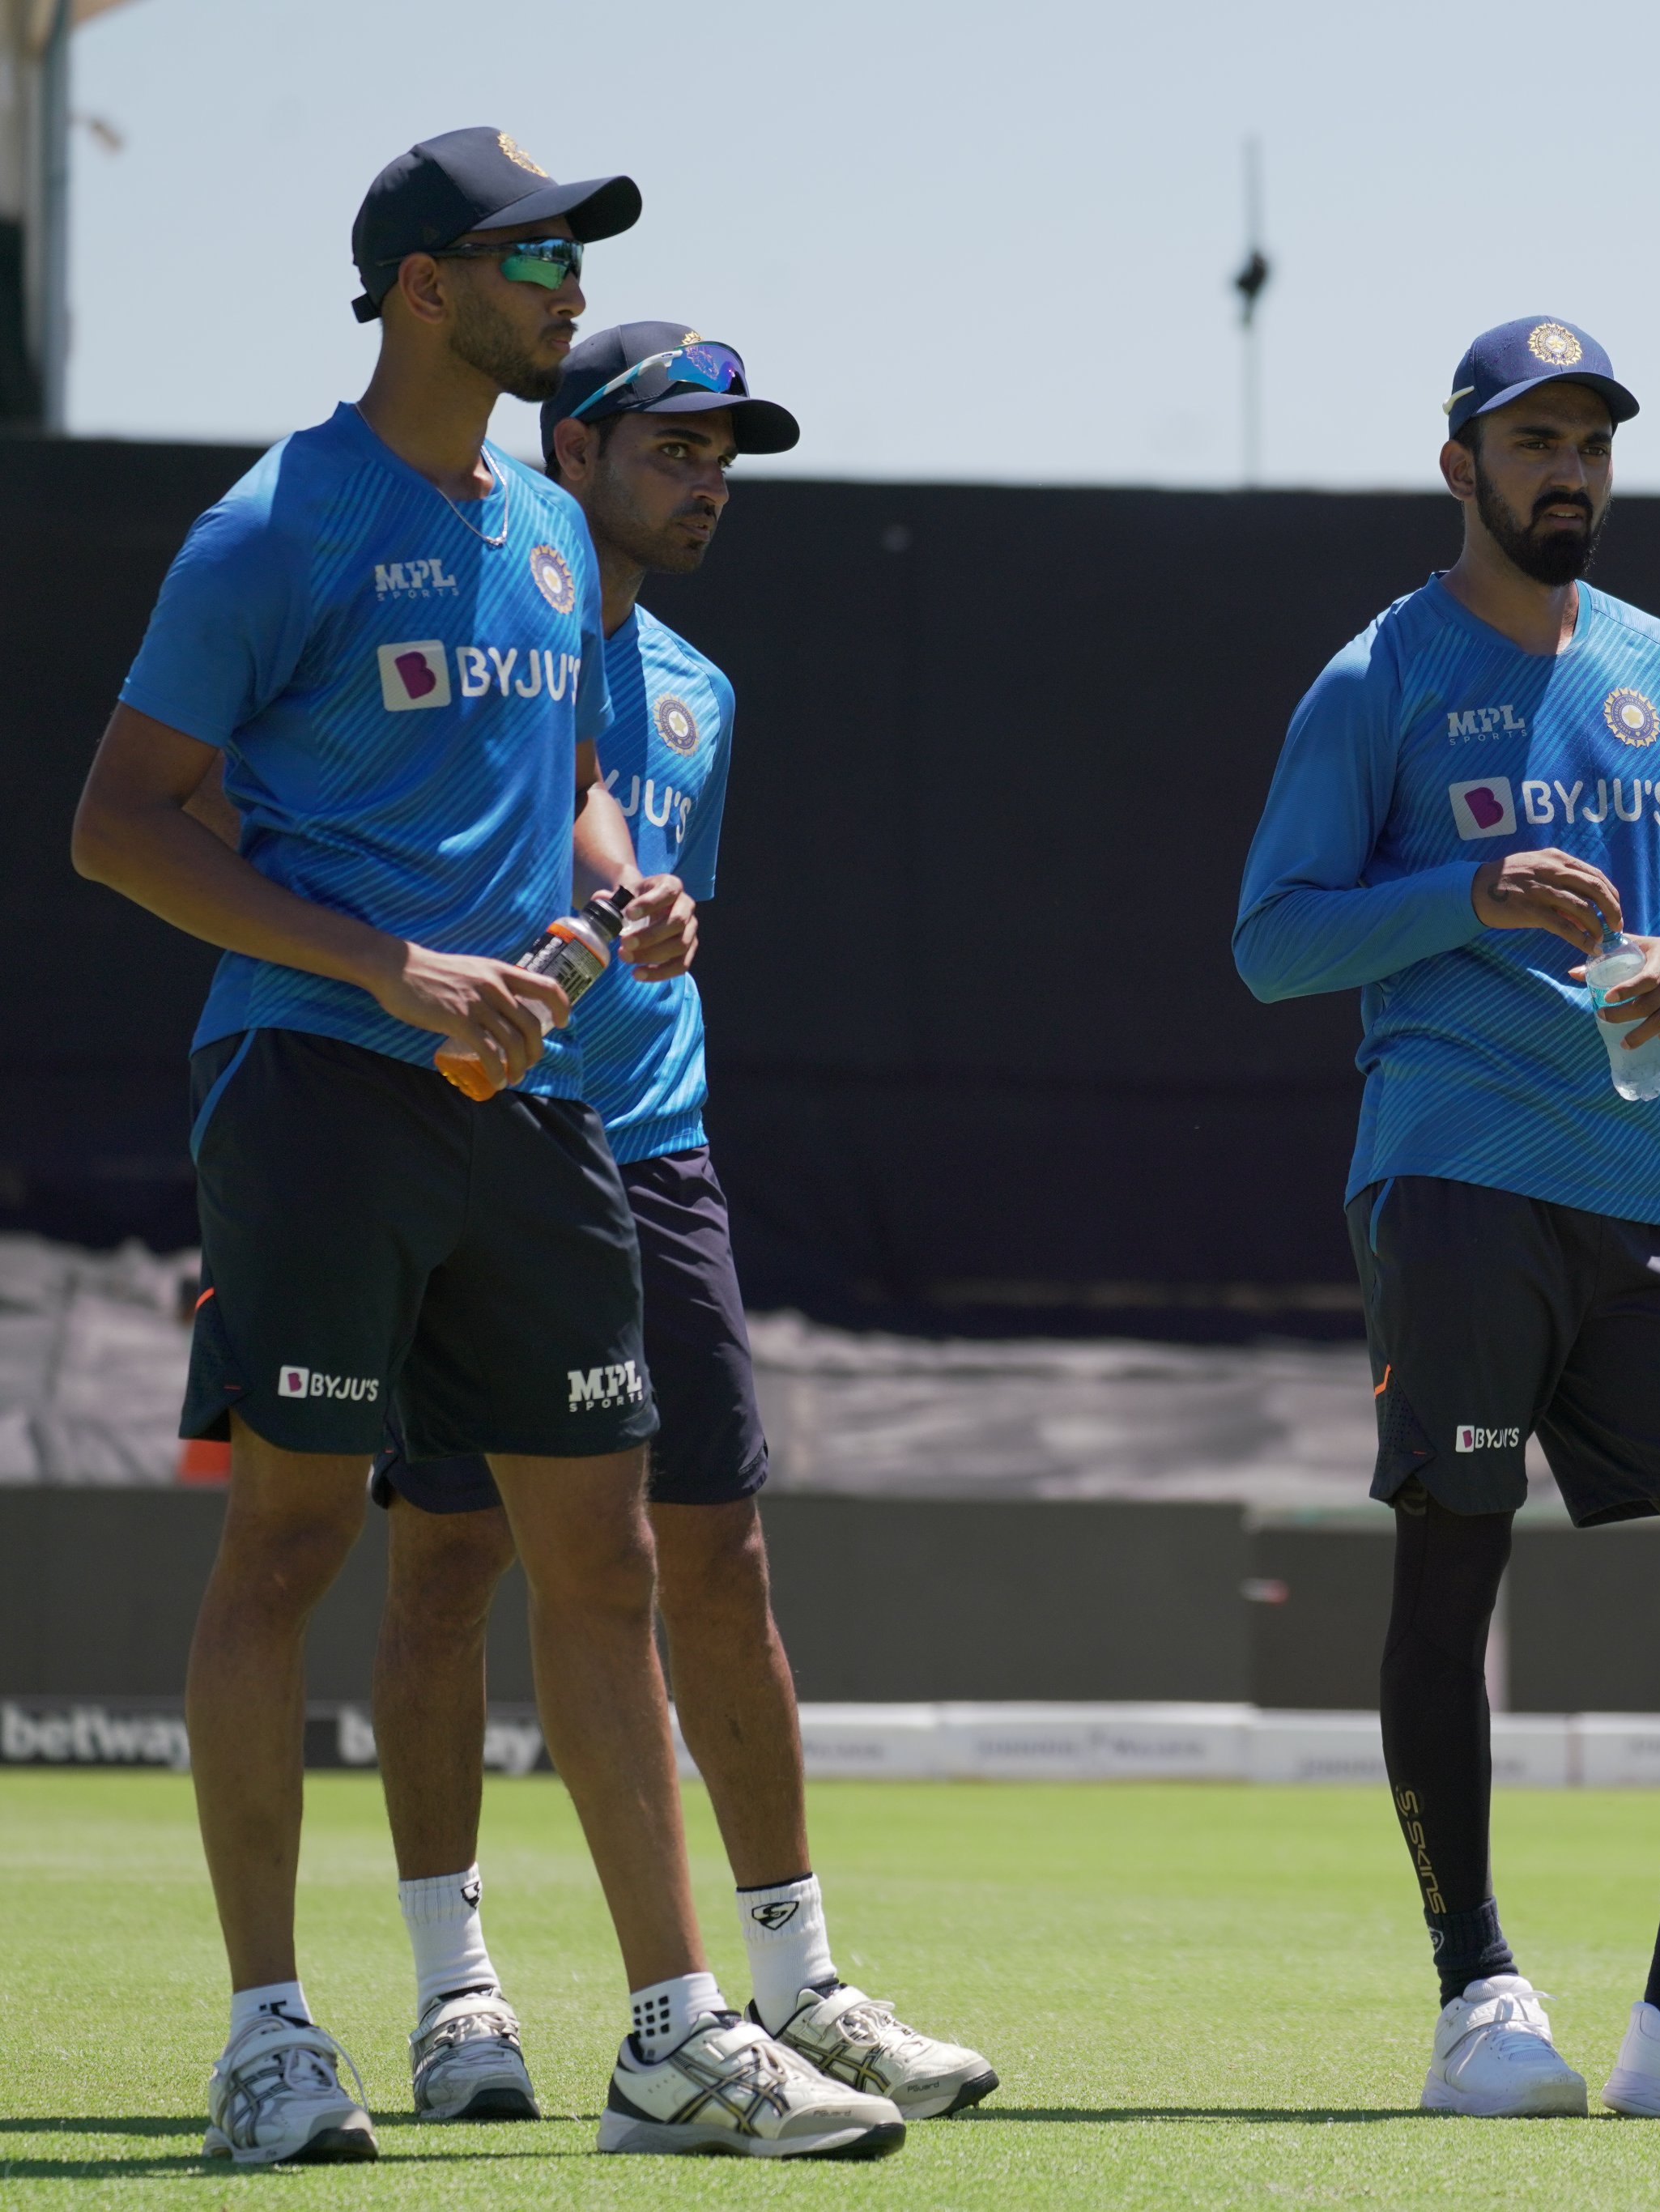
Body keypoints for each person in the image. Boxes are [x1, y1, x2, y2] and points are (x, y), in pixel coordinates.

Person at [66, 130, 901, 2165]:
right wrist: (397, 969)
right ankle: (273, 2035)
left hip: (537, 1115)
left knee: (602, 1568)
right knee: (292, 1541)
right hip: (317, 1089)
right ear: (419, 288)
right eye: (532, 255)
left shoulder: (542, 525)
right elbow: (122, 823)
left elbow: (581, 769)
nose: (563, 283)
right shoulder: (277, 522)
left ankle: (673, 2036)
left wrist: (632, 891)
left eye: (571, 253)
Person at [1233, 317, 1660, 2122]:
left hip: (1642, 1186)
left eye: (1591, 441)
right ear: (1459, 466)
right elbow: (1273, 937)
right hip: (1447, 1168)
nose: (1569, 471)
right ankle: (1478, 2001)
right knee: (1454, 1554)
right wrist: (1465, 891)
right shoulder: (1373, 676)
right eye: (1534, 441)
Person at [354, 323, 995, 2129]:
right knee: (447, 1561)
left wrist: (640, 918)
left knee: (718, 1560)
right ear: (571, 450)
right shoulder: (475, 638)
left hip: (652, 1153)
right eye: (671, 447)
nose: (707, 479)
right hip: (466, 1133)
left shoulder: (705, 691)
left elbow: (647, 912)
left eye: (725, 454)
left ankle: (797, 1986)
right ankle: (453, 1992)